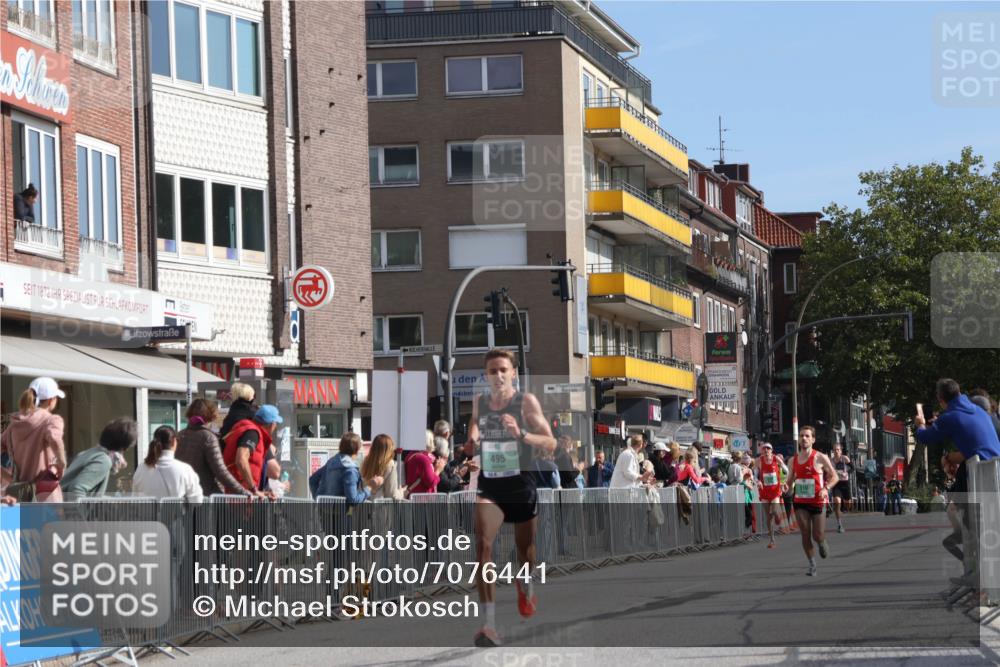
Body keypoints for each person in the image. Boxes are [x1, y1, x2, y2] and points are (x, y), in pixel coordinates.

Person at [463, 349, 556, 647]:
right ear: (486, 375)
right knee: (482, 546)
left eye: (503, 369)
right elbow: (475, 425)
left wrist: (521, 434)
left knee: (525, 550)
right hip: (491, 486)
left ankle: (524, 582)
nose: (498, 375)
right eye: (492, 371)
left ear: (513, 373)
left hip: (521, 485)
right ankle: (488, 625)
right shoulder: (480, 402)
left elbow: (550, 442)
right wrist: (473, 439)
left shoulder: (525, 402)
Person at [916, 379, 1000, 496]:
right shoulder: (979, 411)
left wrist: (920, 424)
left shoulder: (949, 418)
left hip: (980, 476)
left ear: (940, 400)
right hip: (996, 470)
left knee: (954, 508)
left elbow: (924, 437)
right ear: (959, 392)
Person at [781, 425, 838, 576]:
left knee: (817, 535)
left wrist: (826, 489)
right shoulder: (793, 460)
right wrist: (786, 486)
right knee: (805, 533)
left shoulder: (820, 457)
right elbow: (790, 479)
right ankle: (812, 564)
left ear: (813, 439)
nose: (804, 438)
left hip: (817, 500)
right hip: (800, 501)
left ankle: (821, 541)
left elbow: (835, 476)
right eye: (801, 436)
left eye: (807, 436)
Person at [1, 377, 67, 502]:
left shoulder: (14, 424)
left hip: (16, 495)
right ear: (51, 400)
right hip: (45, 494)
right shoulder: (51, 420)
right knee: (49, 522)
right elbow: (55, 439)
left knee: (16, 522)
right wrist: (62, 464)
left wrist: (9, 477)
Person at [175, 399, 251, 497]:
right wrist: (243, 491)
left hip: (183, 494)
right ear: (211, 416)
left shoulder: (180, 435)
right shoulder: (209, 437)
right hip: (206, 495)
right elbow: (220, 471)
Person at [61, 418, 138, 501]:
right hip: (61, 512)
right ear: (124, 448)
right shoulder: (103, 460)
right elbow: (76, 489)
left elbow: (90, 495)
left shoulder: (90, 453)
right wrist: (81, 513)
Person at [222, 404, 283, 494]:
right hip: (240, 494)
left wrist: (260, 492)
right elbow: (241, 459)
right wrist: (253, 489)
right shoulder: (253, 433)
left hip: (239, 492)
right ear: (272, 424)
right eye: (276, 424)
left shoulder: (250, 430)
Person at [133, 426, 203, 501]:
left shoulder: (141, 468)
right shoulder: (185, 469)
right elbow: (197, 500)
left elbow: (135, 497)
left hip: (146, 512)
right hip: (174, 512)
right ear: (174, 442)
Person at [310, 433, 382, 504]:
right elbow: (353, 500)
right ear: (357, 449)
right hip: (341, 512)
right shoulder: (350, 470)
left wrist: (318, 497)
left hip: (324, 510)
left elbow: (312, 479)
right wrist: (370, 487)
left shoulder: (331, 462)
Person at [756, 443, 788, 548]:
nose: (766, 451)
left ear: (771, 450)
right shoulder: (759, 461)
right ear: (762, 451)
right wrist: (757, 481)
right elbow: (754, 473)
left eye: (768, 449)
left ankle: (778, 517)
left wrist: (784, 482)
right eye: (764, 449)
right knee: (768, 516)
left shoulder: (776, 459)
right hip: (764, 491)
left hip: (775, 491)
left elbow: (786, 470)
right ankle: (772, 539)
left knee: (774, 511)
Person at [360, 433, 405, 500]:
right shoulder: (390, 464)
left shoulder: (365, 461)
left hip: (364, 505)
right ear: (389, 449)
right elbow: (391, 494)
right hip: (381, 507)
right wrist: (402, 492)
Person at [406, 430, 446, 494]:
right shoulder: (423, 458)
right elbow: (431, 482)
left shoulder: (411, 455)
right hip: (422, 499)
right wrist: (438, 470)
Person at [829, 443, 853, 533]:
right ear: (833, 451)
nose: (836, 451)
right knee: (837, 501)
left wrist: (847, 472)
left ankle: (844, 507)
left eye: (838, 449)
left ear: (841, 450)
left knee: (848, 504)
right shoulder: (830, 461)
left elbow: (852, 468)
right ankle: (839, 524)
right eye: (835, 450)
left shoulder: (845, 458)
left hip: (845, 483)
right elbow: (827, 471)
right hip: (836, 483)